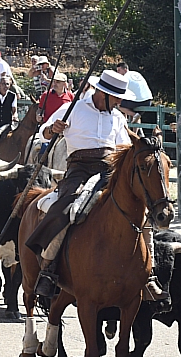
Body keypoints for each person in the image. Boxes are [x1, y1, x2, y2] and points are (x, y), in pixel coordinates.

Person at [25, 69, 165, 301]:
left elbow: (123, 147)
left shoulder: (118, 117)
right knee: (65, 208)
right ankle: (48, 269)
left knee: (143, 211)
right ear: (103, 93)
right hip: (79, 168)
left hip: (110, 170)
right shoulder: (74, 108)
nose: (120, 101)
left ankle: (147, 275)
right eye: (117, 97)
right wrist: (53, 129)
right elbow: (43, 133)